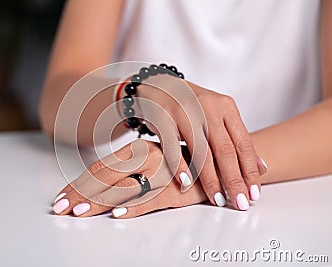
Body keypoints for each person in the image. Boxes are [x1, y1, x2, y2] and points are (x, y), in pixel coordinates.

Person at [40, 0, 332, 218]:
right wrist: (135, 92)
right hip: (132, 175)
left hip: (279, 202)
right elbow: (58, 97)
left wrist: (202, 163)